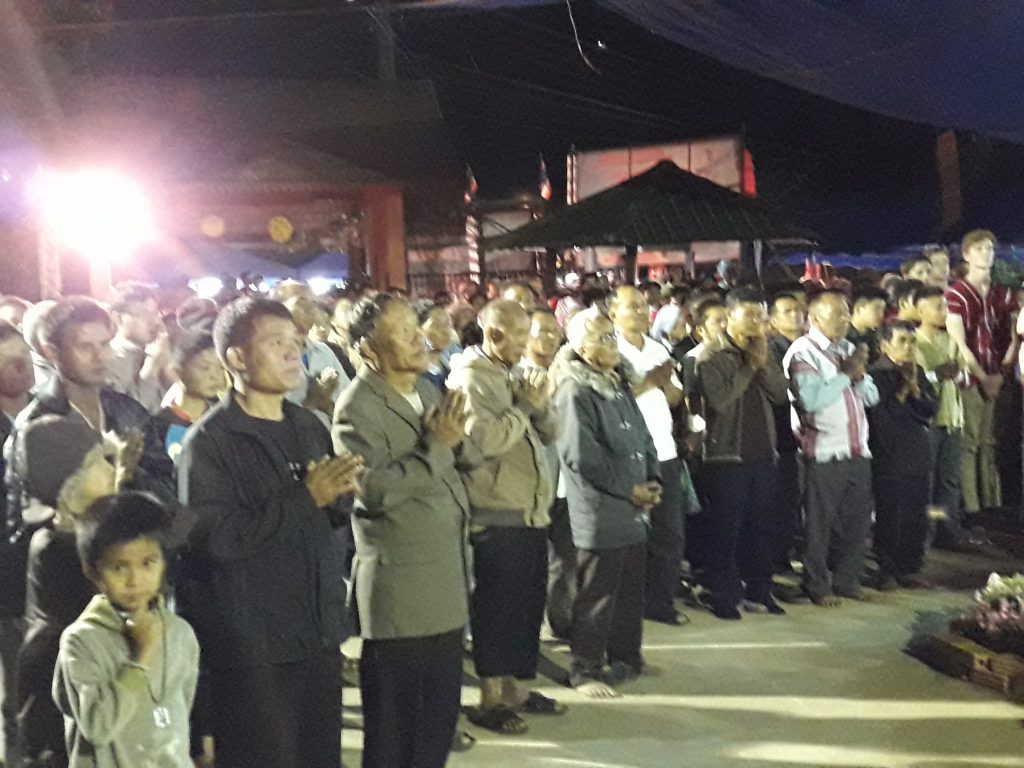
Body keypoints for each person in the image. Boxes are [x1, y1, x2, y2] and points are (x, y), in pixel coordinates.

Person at [178, 298, 361, 768]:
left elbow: (325, 522)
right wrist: (308, 496)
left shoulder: (307, 426)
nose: (291, 353)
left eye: (295, 342)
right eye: (275, 343)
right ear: (236, 358)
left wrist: (340, 495)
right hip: (254, 648)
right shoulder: (212, 442)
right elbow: (217, 540)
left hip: (315, 636)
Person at [333, 295, 480, 768]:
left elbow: (464, 459)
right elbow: (375, 491)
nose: (418, 339)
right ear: (368, 350)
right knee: (395, 734)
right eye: (401, 332)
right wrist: (438, 445)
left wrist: (460, 438)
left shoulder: (429, 390)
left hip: (446, 578)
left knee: (436, 723)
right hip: (402, 590)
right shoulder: (358, 408)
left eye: (417, 328)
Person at [447, 300, 562, 735]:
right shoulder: (471, 378)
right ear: (493, 334)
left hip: (529, 511)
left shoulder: (510, 373)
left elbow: (550, 432)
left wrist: (539, 404)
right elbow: (483, 443)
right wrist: (523, 408)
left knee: (525, 607)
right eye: (519, 335)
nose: (526, 343)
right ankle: (490, 698)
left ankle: (515, 689)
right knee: (496, 610)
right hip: (496, 512)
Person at [553, 307, 661, 698]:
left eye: (612, 335)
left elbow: (643, 437)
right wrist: (630, 489)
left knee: (630, 590)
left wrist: (652, 479)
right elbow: (582, 456)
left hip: (634, 504)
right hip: (601, 508)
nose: (612, 343)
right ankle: (585, 670)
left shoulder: (617, 382)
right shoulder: (574, 391)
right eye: (602, 337)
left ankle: (627, 657)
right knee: (597, 594)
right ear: (581, 348)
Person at [6, 297, 174, 545]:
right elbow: (20, 521)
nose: (99, 356)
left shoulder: (127, 411)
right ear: (52, 352)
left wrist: (130, 473)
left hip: (139, 549)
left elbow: (166, 484)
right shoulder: (35, 425)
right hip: (72, 559)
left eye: (104, 344)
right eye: (85, 347)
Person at [13, 417, 130, 768]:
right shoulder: (58, 548)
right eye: (97, 463)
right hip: (61, 704)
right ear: (70, 483)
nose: (110, 470)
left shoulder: (77, 538)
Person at [53, 492, 199, 768]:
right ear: (92, 571)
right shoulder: (82, 640)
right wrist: (140, 659)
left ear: (164, 563)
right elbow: (98, 727)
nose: (135, 579)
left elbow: (181, 711)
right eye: (119, 567)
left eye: (148, 563)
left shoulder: (179, 633)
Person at [696, 288, 790, 619]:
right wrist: (750, 367)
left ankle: (759, 591)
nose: (757, 322)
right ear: (730, 316)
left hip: (763, 453)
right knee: (727, 530)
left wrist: (762, 365)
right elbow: (720, 401)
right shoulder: (712, 355)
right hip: (726, 456)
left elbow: (780, 395)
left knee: (761, 528)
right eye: (749, 315)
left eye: (761, 316)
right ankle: (723, 595)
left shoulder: (762, 351)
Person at [784, 291, 879, 607]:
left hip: (857, 448)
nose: (845, 320)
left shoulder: (847, 349)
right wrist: (846, 374)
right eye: (837, 314)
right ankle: (817, 584)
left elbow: (872, 397)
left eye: (846, 313)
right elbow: (811, 401)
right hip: (824, 449)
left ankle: (847, 580)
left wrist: (859, 377)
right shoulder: (803, 352)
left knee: (856, 523)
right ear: (814, 318)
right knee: (819, 524)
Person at [610, 286, 686, 625]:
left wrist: (666, 384)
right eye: (632, 307)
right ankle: (627, 605)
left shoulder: (657, 348)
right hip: (627, 455)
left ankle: (660, 601)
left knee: (668, 533)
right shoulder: (609, 349)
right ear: (613, 313)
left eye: (643, 307)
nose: (641, 313)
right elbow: (613, 398)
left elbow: (674, 396)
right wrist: (651, 380)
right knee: (630, 535)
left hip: (664, 451)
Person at [946, 229, 1019, 515]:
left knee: (990, 443)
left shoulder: (1003, 293)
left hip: (998, 373)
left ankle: (993, 504)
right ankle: (973, 507)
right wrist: (982, 376)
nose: (986, 254)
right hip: (971, 376)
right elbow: (959, 341)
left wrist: (1001, 372)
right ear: (966, 254)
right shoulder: (956, 293)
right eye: (979, 249)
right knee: (970, 444)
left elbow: (1013, 336)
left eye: (989, 249)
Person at [867, 321, 938, 591]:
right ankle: (886, 569)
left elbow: (930, 408)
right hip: (890, 455)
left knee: (916, 515)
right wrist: (904, 391)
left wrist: (916, 390)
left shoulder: (917, 371)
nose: (909, 347)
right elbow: (882, 417)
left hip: (916, 453)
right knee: (891, 515)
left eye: (912, 341)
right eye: (902, 341)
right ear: (885, 345)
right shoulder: (876, 374)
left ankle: (910, 567)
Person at [914, 287, 973, 550]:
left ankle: (946, 531)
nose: (944, 312)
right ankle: (925, 533)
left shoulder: (949, 340)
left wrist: (955, 374)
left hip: (952, 419)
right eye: (938, 307)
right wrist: (938, 374)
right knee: (927, 481)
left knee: (948, 481)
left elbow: (963, 376)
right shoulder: (913, 342)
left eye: (945, 307)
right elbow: (915, 380)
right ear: (921, 310)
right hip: (929, 422)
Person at [0, 320, 34, 767]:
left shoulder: (53, 414)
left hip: (59, 572)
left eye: (24, 357)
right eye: (8, 362)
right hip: (9, 582)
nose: (22, 368)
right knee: (18, 693)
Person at [767, 293, 805, 579]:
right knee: (781, 502)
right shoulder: (772, 350)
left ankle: (788, 554)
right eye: (787, 311)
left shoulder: (807, 346)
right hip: (781, 436)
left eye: (797, 310)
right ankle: (776, 560)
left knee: (794, 502)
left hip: (806, 436)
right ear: (773, 319)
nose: (795, 315)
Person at [152, 332, 225, 463]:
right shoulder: (161, 426)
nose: (215, 376)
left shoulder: (224, 418)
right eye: (204, 367)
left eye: (221, 367)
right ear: (176, 372)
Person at [282, 296, 351, 423]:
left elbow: (348, 396)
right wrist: (312, 401)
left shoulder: (324, 351)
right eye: (297, 329)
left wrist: (327, 403)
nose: (299, 336)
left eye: (304, 330)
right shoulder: (275, 360)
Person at [105, 282, 169, 414]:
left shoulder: (157, 349)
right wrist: (152, 366)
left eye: (155, 313)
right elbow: (133, 417)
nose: (155, 321)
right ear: (118, 318)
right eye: (144, 314)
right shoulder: (111, 361)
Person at [414, 300, 456, 392]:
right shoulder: (413, 374)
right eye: (437, 325)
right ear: (418, 329)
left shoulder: (453, 371)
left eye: (447, 325)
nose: (445, 331)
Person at [847, 288, 888, 363]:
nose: (881, 314)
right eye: (876, 309)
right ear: (858, 309)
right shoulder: (842, 335)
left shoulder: (878, 335)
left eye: (883, 310)